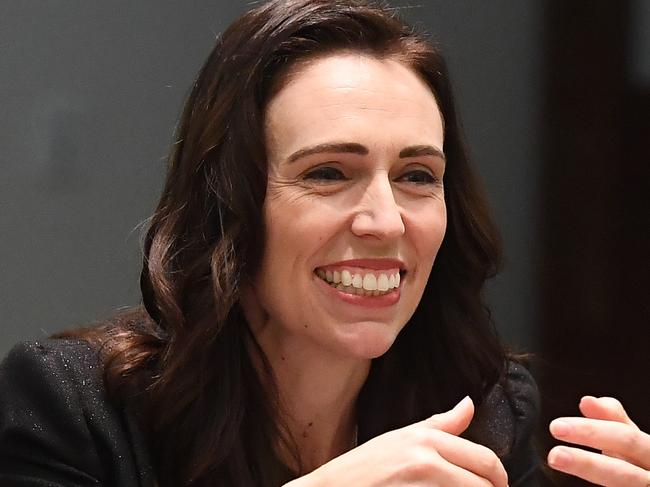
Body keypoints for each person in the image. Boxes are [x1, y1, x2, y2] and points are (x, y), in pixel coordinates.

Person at [0, 1, 648, 486]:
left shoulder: (488, 406)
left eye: (416, 175)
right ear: (230, 204)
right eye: (328, 173)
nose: (386, 221)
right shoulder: (72, 406)